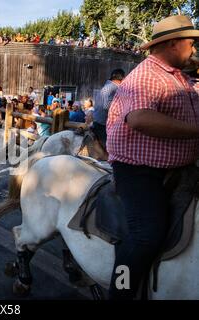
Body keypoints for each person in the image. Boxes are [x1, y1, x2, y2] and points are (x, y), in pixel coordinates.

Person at [107, 15, 199, 300]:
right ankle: (120, 293)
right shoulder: (147, 75)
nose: (194, 49)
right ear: (173, 43)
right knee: (146, 234)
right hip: (139, 171)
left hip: (181, 166)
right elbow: (139, 118)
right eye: (191, 43)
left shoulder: (180, 75)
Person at [92, 68, 126, 149]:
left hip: (98, 122)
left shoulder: (107, 86)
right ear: (122, 79)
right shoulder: (113, 88)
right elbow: (106, 106)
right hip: (103, 125)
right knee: (110, 150)